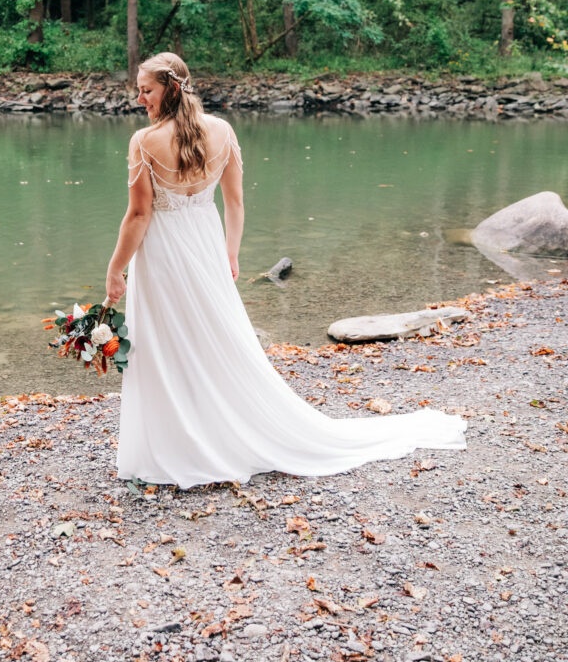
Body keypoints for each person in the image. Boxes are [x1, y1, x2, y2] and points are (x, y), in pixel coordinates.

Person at [105, 52, 466, 489]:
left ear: (171, 88)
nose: (139, 98)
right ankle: (210, 435)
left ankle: (180, 446)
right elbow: (235, 203)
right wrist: (230, 254)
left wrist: (115, 270)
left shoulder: (144, 142)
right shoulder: (222, 131)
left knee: (168, 343)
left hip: (163, 253)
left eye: (146, 89)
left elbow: (139, 216)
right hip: (204, 248)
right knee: (211, 340)